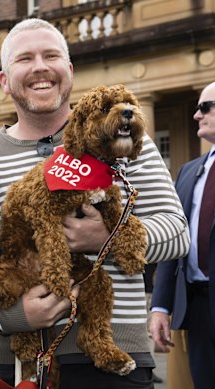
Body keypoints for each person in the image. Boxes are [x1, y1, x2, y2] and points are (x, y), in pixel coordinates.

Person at [0, 18, 190, 388]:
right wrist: (10, 317)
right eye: (25, 59)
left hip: (115, 356)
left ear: (69, 71)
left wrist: (107, 236)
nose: (40, 66)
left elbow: (177, 232)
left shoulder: (123, 138)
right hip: (20, 363)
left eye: (51, 55)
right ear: (4, 80)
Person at [150, 81, 215, 388]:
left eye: (205, 107)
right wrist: (161, 306)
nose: (195, 115)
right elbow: (171, 243)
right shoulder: (189, 171)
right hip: (198, 307)